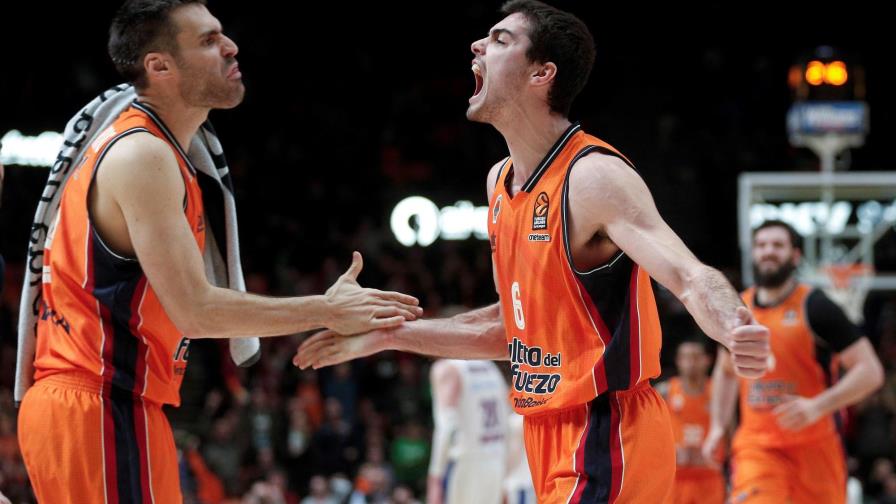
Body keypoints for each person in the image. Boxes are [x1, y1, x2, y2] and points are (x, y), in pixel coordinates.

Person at [296, 1, 770, 502]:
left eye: (500, 40)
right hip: (545, 436)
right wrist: (388, 335)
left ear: (543, 73)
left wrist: (734, 323)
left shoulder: (593, 176)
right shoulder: (498, 182)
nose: (478, 45)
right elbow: (510, 328)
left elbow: (689, 276)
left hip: (607, 430)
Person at [15, 1, 421, 502]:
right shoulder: (142, 154)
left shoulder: (157, 152)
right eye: (207, 40)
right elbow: (196, 311)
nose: (230, 46)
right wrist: (328, 310)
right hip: (96, 406)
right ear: (159, 66)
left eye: (223, 34)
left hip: (113, 407)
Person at [702, 219, 884, 504]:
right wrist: (717, 425)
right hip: (758, 449)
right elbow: (725, 372)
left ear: (795, 255)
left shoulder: (816, 306)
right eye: (761, 245)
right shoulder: (739, 309)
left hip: (816, 448)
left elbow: (870, 371)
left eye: (777, 245)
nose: (768, 251)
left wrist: (818, 405)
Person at [426, 359, 509, 504]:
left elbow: (446, 427)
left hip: (464, 462)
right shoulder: (490, 367)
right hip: (496, 459)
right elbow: (507, 417)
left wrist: (435, 475)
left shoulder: (448, 369)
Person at [657, 340, 725, 504]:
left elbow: (730, 432)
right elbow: (648, 435)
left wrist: (717, 454)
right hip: (675, 478)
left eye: (696, 357)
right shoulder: (665, 391)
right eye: (686, 357)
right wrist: (669, 453)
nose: (691, 363)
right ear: (678, 361)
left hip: (709, 477)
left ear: (707, 360)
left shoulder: (718, 391)